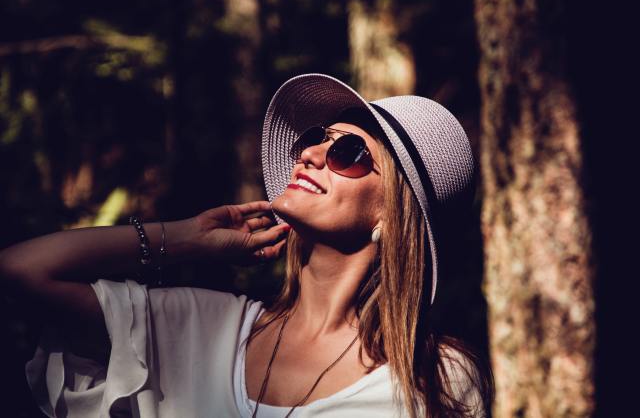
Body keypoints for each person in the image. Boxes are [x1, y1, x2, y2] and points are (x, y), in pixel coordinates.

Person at [0, 73, 493, 417]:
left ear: (394, 214)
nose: (311, 152)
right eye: (319, 137)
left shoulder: (437, 379)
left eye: (349, 152)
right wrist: (181, 239)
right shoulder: (199, 326)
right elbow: (22, 271)